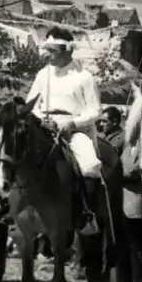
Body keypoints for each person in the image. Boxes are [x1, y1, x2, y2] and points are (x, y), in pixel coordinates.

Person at [26, 26, 103, 236]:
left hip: (73, 129)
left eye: (53, 51)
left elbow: (95, 110)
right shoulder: (43, 74)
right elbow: (30, 103)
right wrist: (41, 120)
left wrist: (73, 124)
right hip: (44, 125)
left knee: (90, 165)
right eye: (47, 50)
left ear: (67, 50)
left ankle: (88, 214)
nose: (48, 55)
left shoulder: (84, 76)